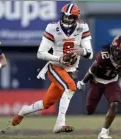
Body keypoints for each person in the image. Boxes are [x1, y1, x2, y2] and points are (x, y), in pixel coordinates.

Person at [12, 3, 93, 133]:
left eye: (70, 17)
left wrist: (82, 50)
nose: (67, 19)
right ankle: (60, 123)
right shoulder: (52, 27)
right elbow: (41, 53)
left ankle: (24, 110)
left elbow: (90, 54)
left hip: (71, 70)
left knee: (47, 103)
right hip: (55, 67)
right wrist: (58, 59)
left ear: (76, 18)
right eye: (65, 17)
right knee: (70, 87)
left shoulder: (82, 27)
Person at [77, 35, 121, 139]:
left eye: (119, 51)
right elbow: (92, 70)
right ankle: (102, 129)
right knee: (89, 110)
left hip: (112, 81)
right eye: (115, 50)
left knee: (114, 104)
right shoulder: (103, 56)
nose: (115, 53)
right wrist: (83, 82)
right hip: (97, 81)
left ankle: (103, 133)